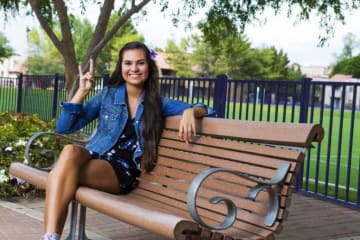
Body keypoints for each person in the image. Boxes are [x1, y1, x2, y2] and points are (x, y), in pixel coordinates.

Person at [41, 41, 215, 240]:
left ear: (149, 67)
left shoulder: (157, 103)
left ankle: (50, 237)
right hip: (93, 155)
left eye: (140, 63)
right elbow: (64, 127)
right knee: (70, 152)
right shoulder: (108, 96)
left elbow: (212, 112)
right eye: (128, 63)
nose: (134, 68)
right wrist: (81, 92)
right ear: (121, 67)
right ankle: (50, 236)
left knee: (58, 174)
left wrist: (192, 110)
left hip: (120, 171)